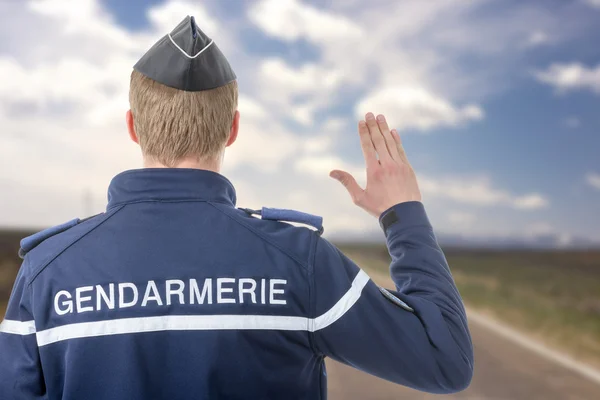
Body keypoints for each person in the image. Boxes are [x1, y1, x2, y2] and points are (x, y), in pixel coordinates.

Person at [0, 15, 473, 400]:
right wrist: (402, 212)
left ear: (132, 126)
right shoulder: (299, 263)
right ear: (233, 129)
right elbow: (444, 360)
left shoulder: (47, 271)